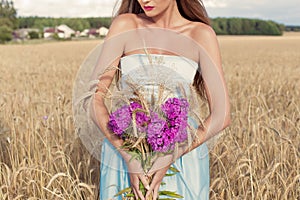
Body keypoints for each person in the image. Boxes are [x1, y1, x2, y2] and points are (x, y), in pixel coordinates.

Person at [74, 0, 231, 199]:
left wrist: (173, 154)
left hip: (180, 155)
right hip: (125, 148)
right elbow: (92, 98)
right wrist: (127, 154)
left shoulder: (201, 35)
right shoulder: (125, 25)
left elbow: (222, 114)